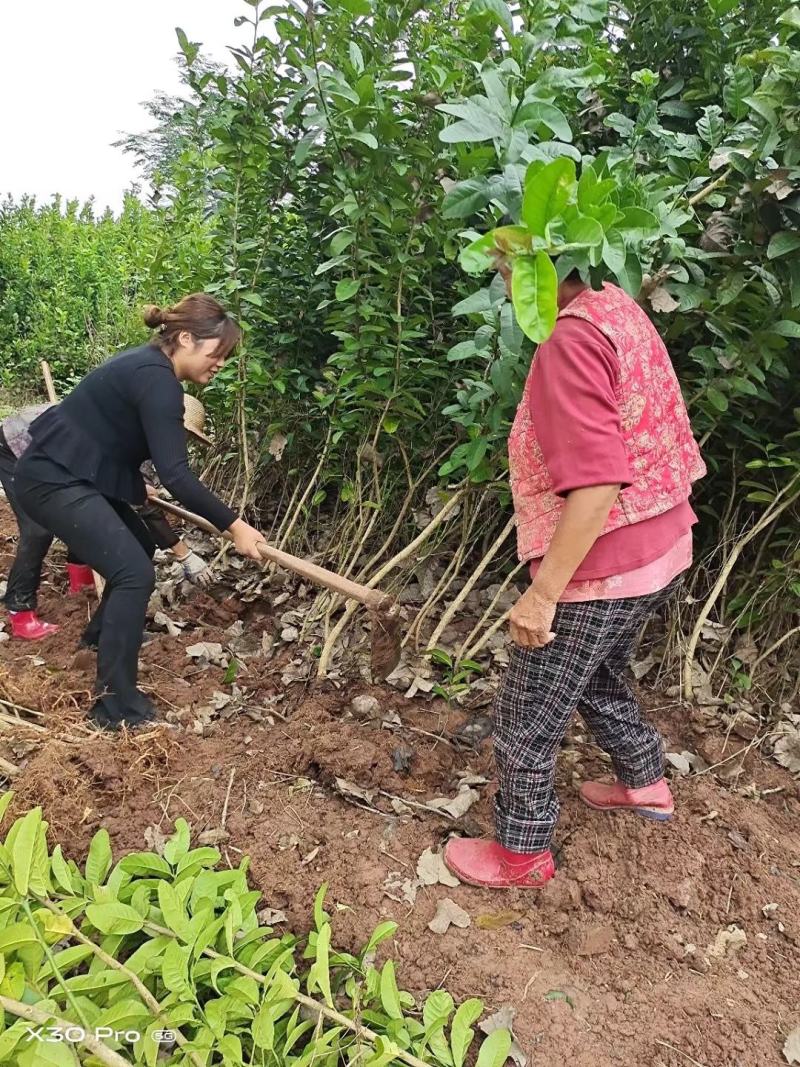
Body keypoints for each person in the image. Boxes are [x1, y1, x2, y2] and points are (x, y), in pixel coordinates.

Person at [444, 269, 706, 889]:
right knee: (597, 672)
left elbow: (597, 483)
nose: (501, 279)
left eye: (508, 266)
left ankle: (521, 854)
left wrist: (542, 595)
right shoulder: (611, 304)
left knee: (527, 715)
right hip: (661, 542)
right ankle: (645, 781)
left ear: (543, 265)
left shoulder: (568, 340)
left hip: (604, 564)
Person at [14, 294, 266, 730]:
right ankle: (115, 707)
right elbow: (177, 475)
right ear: (185, 339)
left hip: (70, 473)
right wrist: (235, 526)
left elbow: (115, 439)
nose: (220, 363)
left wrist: (134, 486)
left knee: (138, 545)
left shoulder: (147, 367)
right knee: (134, 573)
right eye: (217, 353)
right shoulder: (158, 381)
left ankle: (98, 641)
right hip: (53, 478)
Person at [0, 397, 214, 640]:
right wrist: (183, 553)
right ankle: (20, 609)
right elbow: (144, 505)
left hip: (66, 458)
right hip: (19, 444)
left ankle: (80, 588)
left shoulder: (148, 439)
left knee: (89, 511)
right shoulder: (133, 431)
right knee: (37, 530)